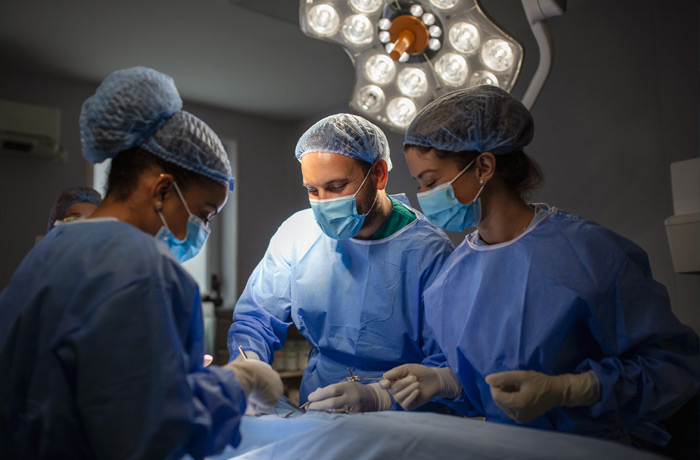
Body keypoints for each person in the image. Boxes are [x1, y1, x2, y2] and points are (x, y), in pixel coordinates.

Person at [380, 85, 700, 447]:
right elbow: (479, 380)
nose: (425, 196)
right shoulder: (453, 277)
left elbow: (674, 367)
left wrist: (570, 389)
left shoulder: (589, 254)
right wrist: (445, 380)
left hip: (598, 448)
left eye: (431, 181)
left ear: (484, 166)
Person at [0, 67, 282, 460]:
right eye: (204, 214)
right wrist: (235, 382)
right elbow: (158, 434)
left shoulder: (50, 249)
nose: (202, 229)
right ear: (163, 189)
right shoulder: (143, 269)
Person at [227, 113, 454, 412]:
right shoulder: (298, 234)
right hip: (318, 408)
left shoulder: (429, 252)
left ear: (379, 175)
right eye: (312, 190)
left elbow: (447, 367)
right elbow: (256, 319)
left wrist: (384, 399)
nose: (323, 202)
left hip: (408, 421)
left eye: (336, 187)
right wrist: (250, 366)